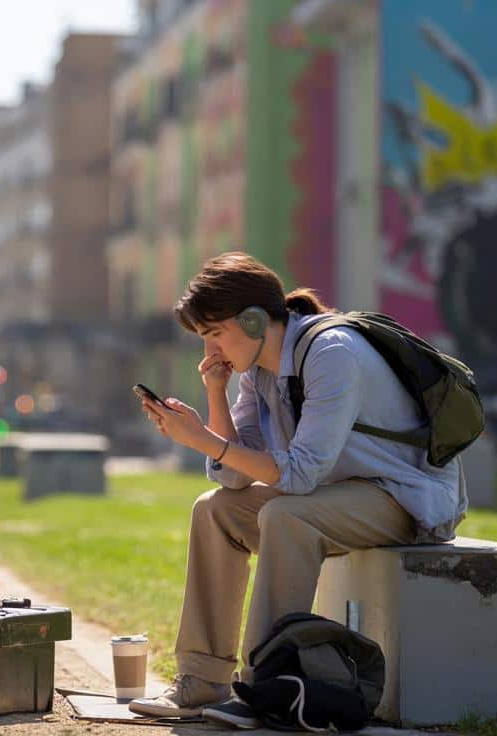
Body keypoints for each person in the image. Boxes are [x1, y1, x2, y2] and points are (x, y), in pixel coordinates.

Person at [131, 252, 465, 729]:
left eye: (214, 335)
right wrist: (215, 396)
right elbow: (235, 475)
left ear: (251, 320)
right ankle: (202, 680)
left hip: (401, 497)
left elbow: (299, 476)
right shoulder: (257, 370)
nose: (210, 352)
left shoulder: (332, 353)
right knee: (215, 510)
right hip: (334, 494)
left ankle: (264, 687)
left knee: (286, 516)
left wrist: (201, 440)